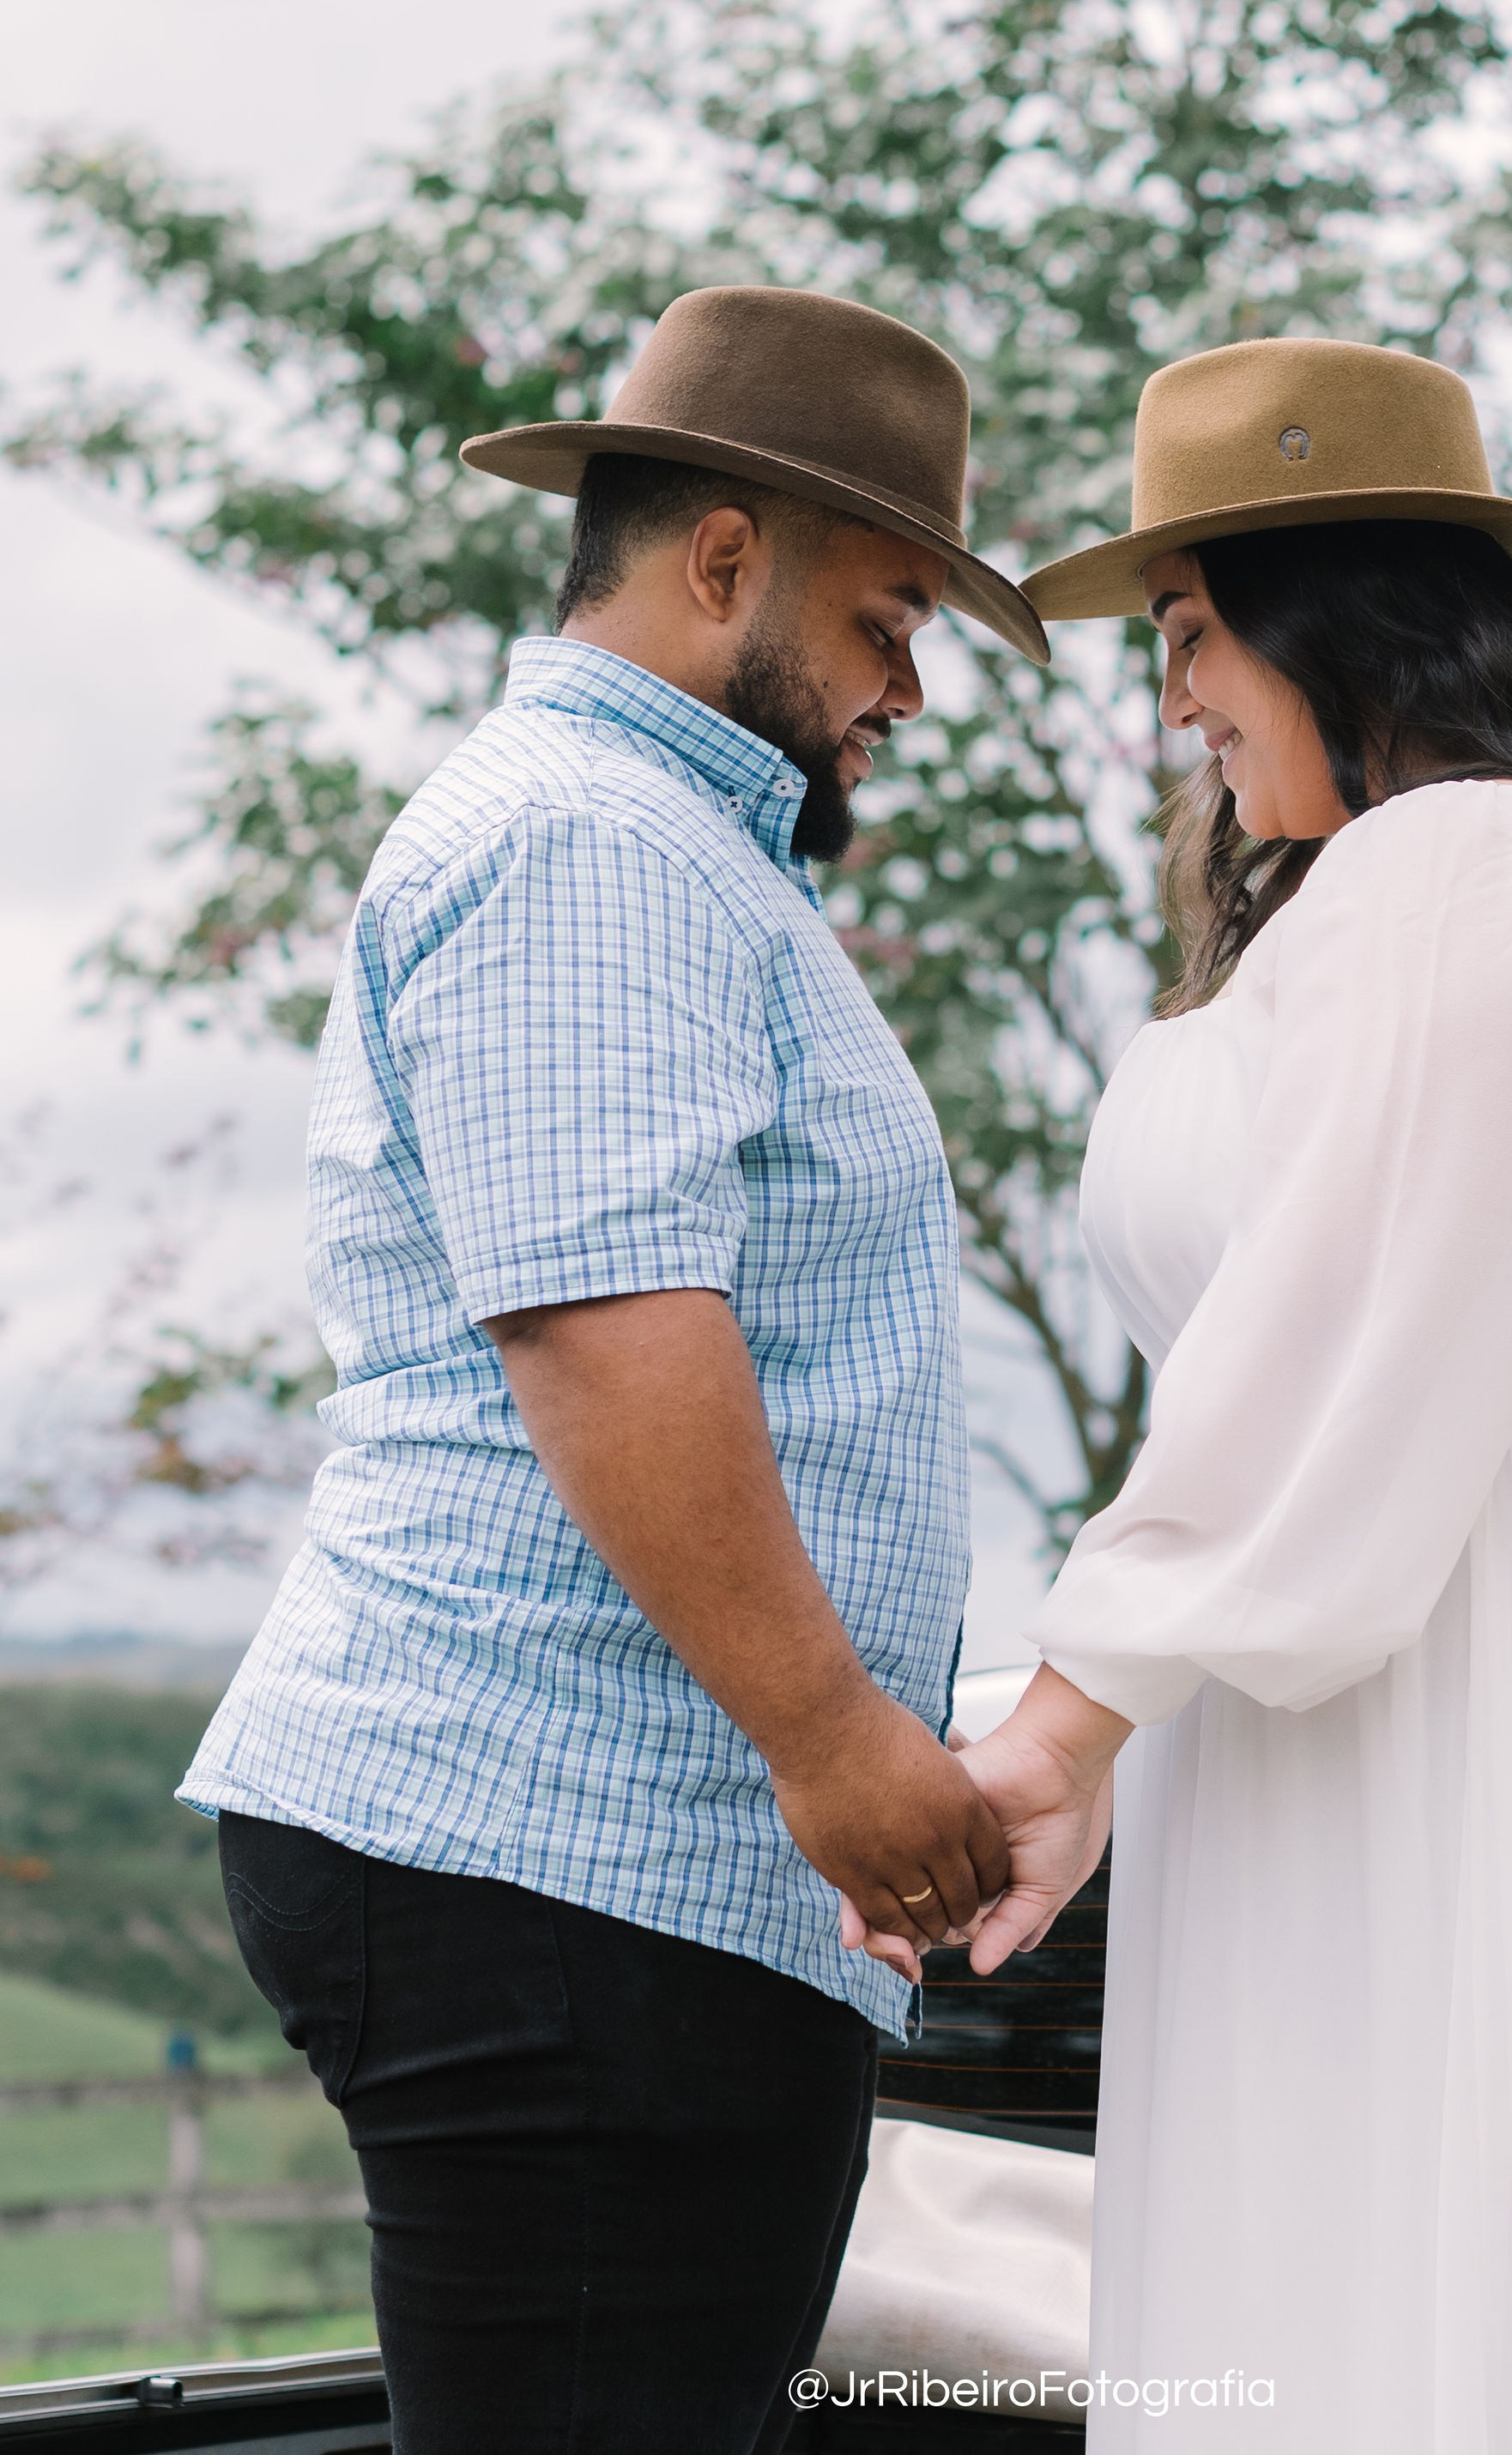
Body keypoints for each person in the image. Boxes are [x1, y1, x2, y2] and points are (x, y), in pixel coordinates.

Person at [856, 337, 1512, 2451]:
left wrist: (1068, 1722)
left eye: (1186, 630)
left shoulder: (1477, 864)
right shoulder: (1400, 893)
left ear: (1336, 611)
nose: (1169, 695)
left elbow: (1340, 1320)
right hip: (1392, 1637)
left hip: (1481, 1643)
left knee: (1457, 2284)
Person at [181, 286, 1049, 2454]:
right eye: (887, 617)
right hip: (561, 1860)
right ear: (726, 559)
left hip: (603, 1863)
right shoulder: (594, 843)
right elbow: (606, 1323)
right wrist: (836, 1738)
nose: (907, 690)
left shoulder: (653, 845)